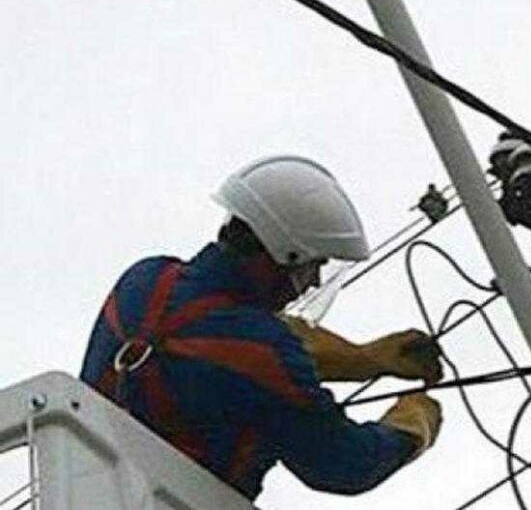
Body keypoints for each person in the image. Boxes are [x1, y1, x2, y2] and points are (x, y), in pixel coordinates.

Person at [79, 155, 443, 500]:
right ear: (284, 255)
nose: (314, 282)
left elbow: (220, 345)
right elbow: (345, 463)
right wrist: (413, 425)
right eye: (313, 266)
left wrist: (364, 360)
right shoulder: (263, 353)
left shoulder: (145, 280)